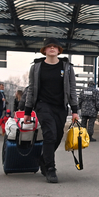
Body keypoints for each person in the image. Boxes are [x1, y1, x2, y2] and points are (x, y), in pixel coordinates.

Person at [22, 37, 79, 184]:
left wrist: (75, 110)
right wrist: (27, 111)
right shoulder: (36, 68)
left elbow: (72, 89)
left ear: (59, 50)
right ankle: (51, 169)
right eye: (49, 46)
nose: (52, 48)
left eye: (55, 47)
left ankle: (43, 159)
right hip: (43, 105)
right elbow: (31, 90)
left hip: (61, 107)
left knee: (58, 135)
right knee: (50, 134)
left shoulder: (67, 67)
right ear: (44, 50)